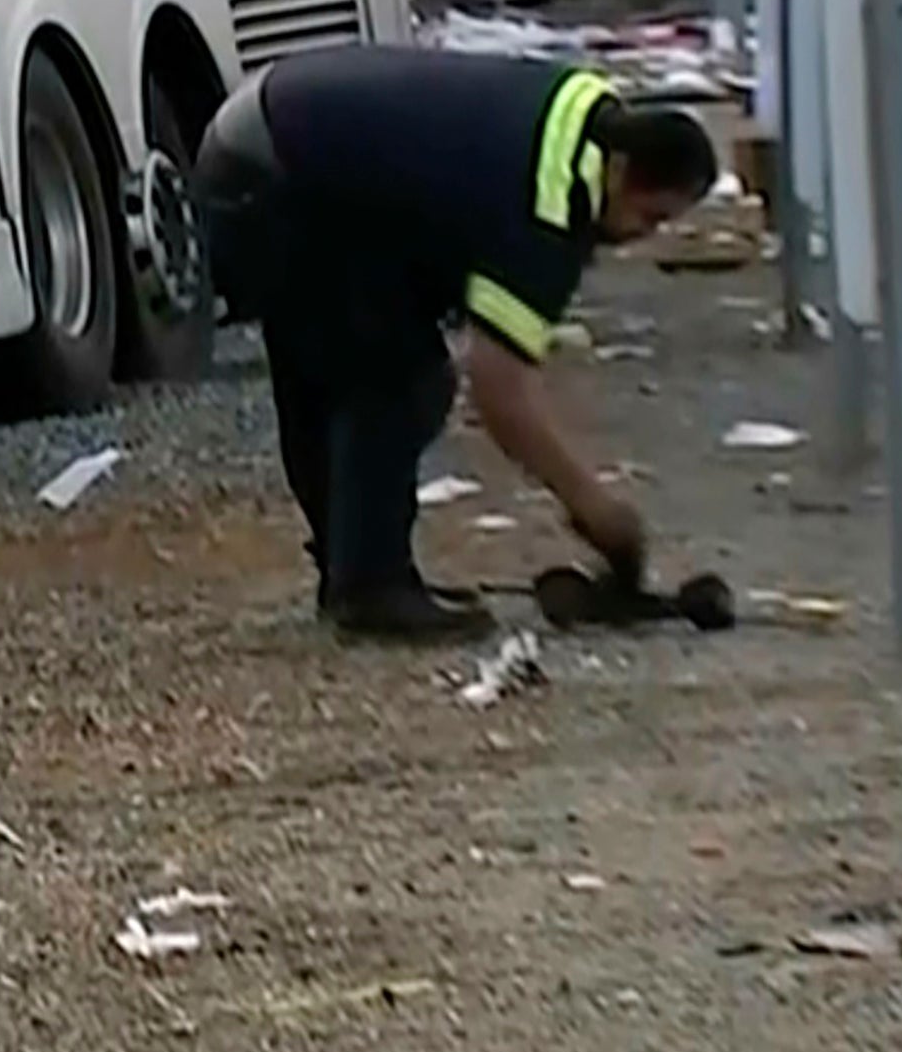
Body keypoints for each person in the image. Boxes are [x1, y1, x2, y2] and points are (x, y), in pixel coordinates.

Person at [190, 45, 726, 640]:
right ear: (620, 171)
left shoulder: (584, 109)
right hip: (273, 180)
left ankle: (354, 571)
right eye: (648, 219)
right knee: (403, 380)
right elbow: (500, 391)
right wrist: (598, 512)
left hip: (256, 136)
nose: (640, 239)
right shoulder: (551, 204)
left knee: (331, 363)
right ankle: (371, 589)